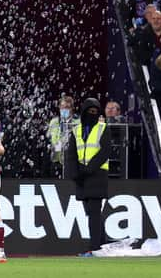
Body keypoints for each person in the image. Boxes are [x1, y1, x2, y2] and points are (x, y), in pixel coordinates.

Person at [65, 98, 111, 256]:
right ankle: (103, 245)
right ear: (84, 112)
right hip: (82, 178)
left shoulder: (103, 128)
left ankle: (95, 248)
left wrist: (88, 169)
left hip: (97, 175)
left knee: (94, 212)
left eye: (96, 111)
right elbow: (71, 154)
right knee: (91, 212)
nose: (93, 114)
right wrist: (75, 173)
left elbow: (104, 152)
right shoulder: (76, 130)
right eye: (90, 111)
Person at [46, 96, 80, 178]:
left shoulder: (78, 122)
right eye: (62, 107)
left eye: (67, 107)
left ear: (72, 108)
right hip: (56, 161)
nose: (64, 109)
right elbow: (49, 138)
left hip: (71, 162)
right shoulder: (54, 122)